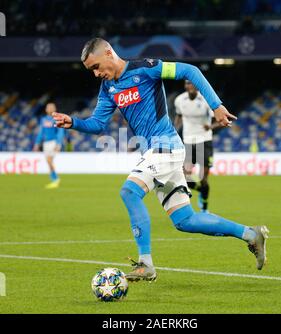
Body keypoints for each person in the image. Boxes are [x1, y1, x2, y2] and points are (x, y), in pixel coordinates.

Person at [53, 38, 269, 281]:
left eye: (96, 67)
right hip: (154, 152)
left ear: (108, 52)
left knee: (129, 192)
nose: (95, 74)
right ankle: (250, 234)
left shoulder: (146, 68)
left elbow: (190, 70)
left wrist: (216, 106)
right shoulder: (108, 88)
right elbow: (97, 124)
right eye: (90, 70)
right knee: (185, 220)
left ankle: (146, 264)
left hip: (166, 146)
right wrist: (73, 123)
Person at [174, 80, 221, 212]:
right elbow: (178, 117)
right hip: (188, 141)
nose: (190, 86)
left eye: (193, 83)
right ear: (185, 86)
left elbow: (220, 120)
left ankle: (205, 208)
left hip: (205, 140)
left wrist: (210, 126)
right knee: (185, 177)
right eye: (188, 83)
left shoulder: (206, 100)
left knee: (203, 178)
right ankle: (201, 190)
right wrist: (174, 130)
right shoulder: (179, 100)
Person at [33, 102, 65, 189]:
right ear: (46, 109)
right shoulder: (43, 119)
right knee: (48, 161)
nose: (50, 109)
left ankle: (56, 179)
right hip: (45, 143)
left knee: (49, 160)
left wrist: (58, 144)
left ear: (55, 109)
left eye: (52, 107)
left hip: (53, 142)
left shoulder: (57, 119)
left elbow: (60, 132)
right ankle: (53, 180)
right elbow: (41, 132)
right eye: (48, 107)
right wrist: (37, 143)